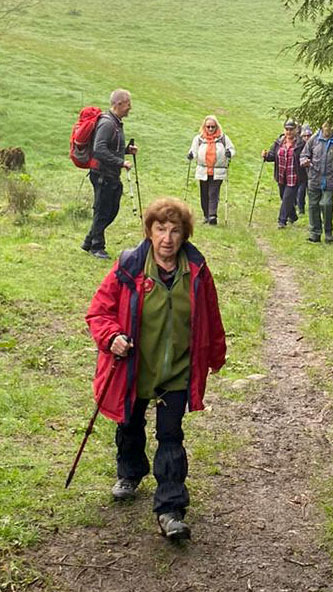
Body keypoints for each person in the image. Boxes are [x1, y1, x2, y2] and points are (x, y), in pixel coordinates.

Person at [86, 197, 226, 541]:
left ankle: (170, 508)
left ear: (184, 235)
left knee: (171, 435)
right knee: (130, 424)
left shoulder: (196, 271)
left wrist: (216, 355)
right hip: (134, 369)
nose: (167, 238)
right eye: (160, 229)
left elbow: (211, 314)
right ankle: (130, 472)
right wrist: (112, 336)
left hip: (177, 372)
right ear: (149, 232)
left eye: (175, 230)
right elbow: (98, 313)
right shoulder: (129, 267)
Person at [81, 89, 137, 260]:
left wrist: (127, 151)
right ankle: (97, 246)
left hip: (110, 174)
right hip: (102, 174)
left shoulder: (116, 122)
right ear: (119, 104)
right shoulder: (107, 123)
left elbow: (110, 148)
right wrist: (121, 162)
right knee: (103, 210)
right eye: (128, 104)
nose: (130, 107)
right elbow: (99, 149)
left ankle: (89, 240)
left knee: (112, 209)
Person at [300, 121, 333, 243]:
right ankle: (315, 233)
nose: (328, 128)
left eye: (331, 126)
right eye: (326, 126)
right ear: (322, 126)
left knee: (326, 204)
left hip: (330, 179)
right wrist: (305, 161)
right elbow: (303, 155)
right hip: (314, 177)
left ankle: (328, 232)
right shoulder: (314, 139)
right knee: (313, 206)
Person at [187, 115, 235, 225]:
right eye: (208, 127)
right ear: (204, 127)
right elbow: (194, 151)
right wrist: (191, 155)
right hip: (203, 170)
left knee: (213, 192)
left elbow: (232, 149)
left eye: (212, 127)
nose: (210, 129)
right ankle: (206, 215)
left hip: (218, 170)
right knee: (204, 193)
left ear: (217, 127)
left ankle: (212, 215)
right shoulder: (199, 139)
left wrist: (229, 153)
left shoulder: (223, 138)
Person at [262, 119, 305, 228]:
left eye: (291, 129)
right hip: (281, 176)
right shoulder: (279, 142)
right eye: (287, 129)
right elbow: (272, 155)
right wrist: (266, 156)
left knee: (287, 198)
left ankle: (282, 221)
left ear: (295, 130)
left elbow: (305, 156)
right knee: (284, 196)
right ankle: (293, 216)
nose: (289, 132)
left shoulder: (300, 144)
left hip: (294, 176)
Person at [296, 124, 312, 215]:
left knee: (311, 193)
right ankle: (301, 209)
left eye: (308, 136)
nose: (306, 138)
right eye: (304, 136)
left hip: (311, 174)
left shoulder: (314, 145)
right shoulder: (299, 145)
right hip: (301, 174)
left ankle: (312, 210)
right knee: (300, 192)